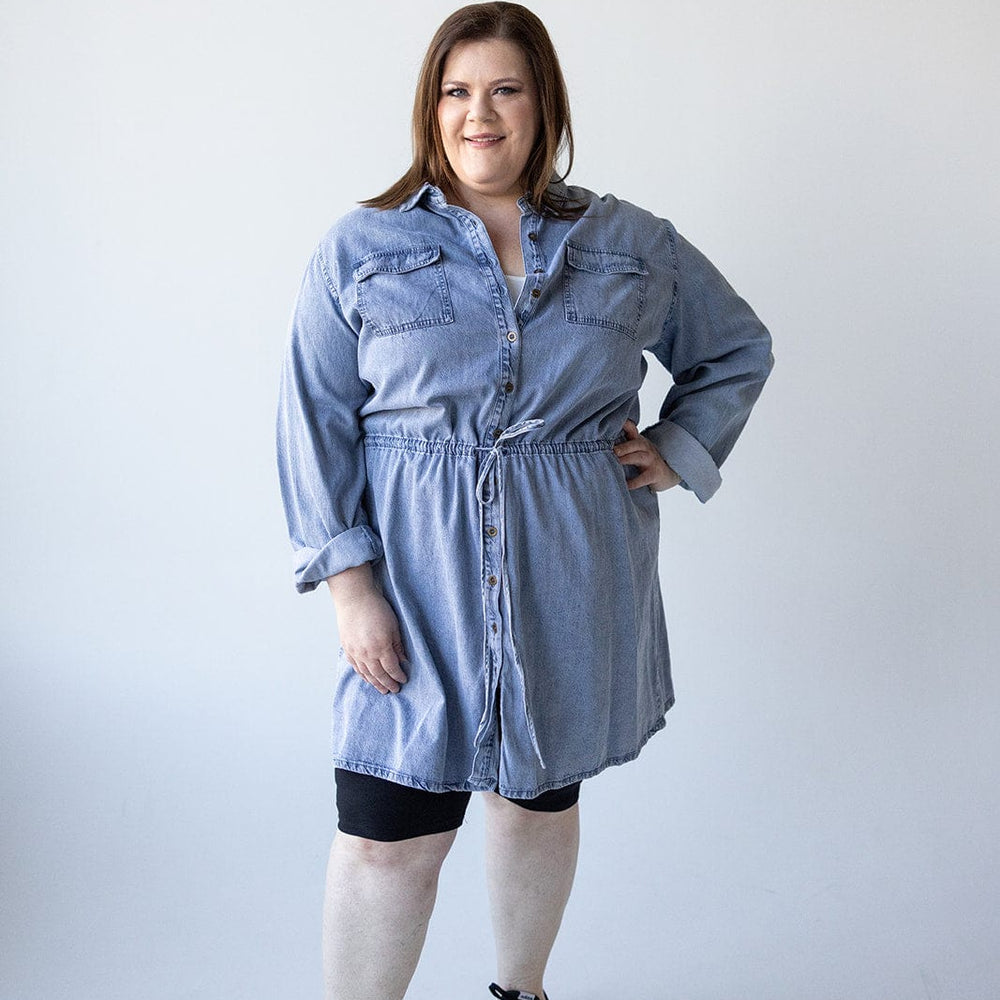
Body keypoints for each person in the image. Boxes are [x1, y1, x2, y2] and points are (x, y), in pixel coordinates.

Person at [276, 3, 773, 998]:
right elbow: (314, 417)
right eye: (456, 92)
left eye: (505, 89)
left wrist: (678, 448)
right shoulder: (360, 248)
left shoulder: (630, 243)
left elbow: (735, 350)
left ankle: (520, 991)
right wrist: (349, 586)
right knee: (387, 834)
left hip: (571, 568)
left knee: (535, 800)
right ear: (431, 108)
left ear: (543, 105)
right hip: (415, 581)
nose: (479, 115)